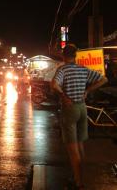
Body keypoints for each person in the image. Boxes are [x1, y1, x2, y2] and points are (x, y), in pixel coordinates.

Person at [51, 44, 108, 189]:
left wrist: (63, 95)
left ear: (64, 55)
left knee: (72, 149)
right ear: (75, 56)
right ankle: (80, 177)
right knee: (80, 144)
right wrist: (87, 90)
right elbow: (103, 79)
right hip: (83, 108)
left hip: (70, 110)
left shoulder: (62, 69)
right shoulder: (83, 69)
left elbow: (54, 85)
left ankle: (79, 183)